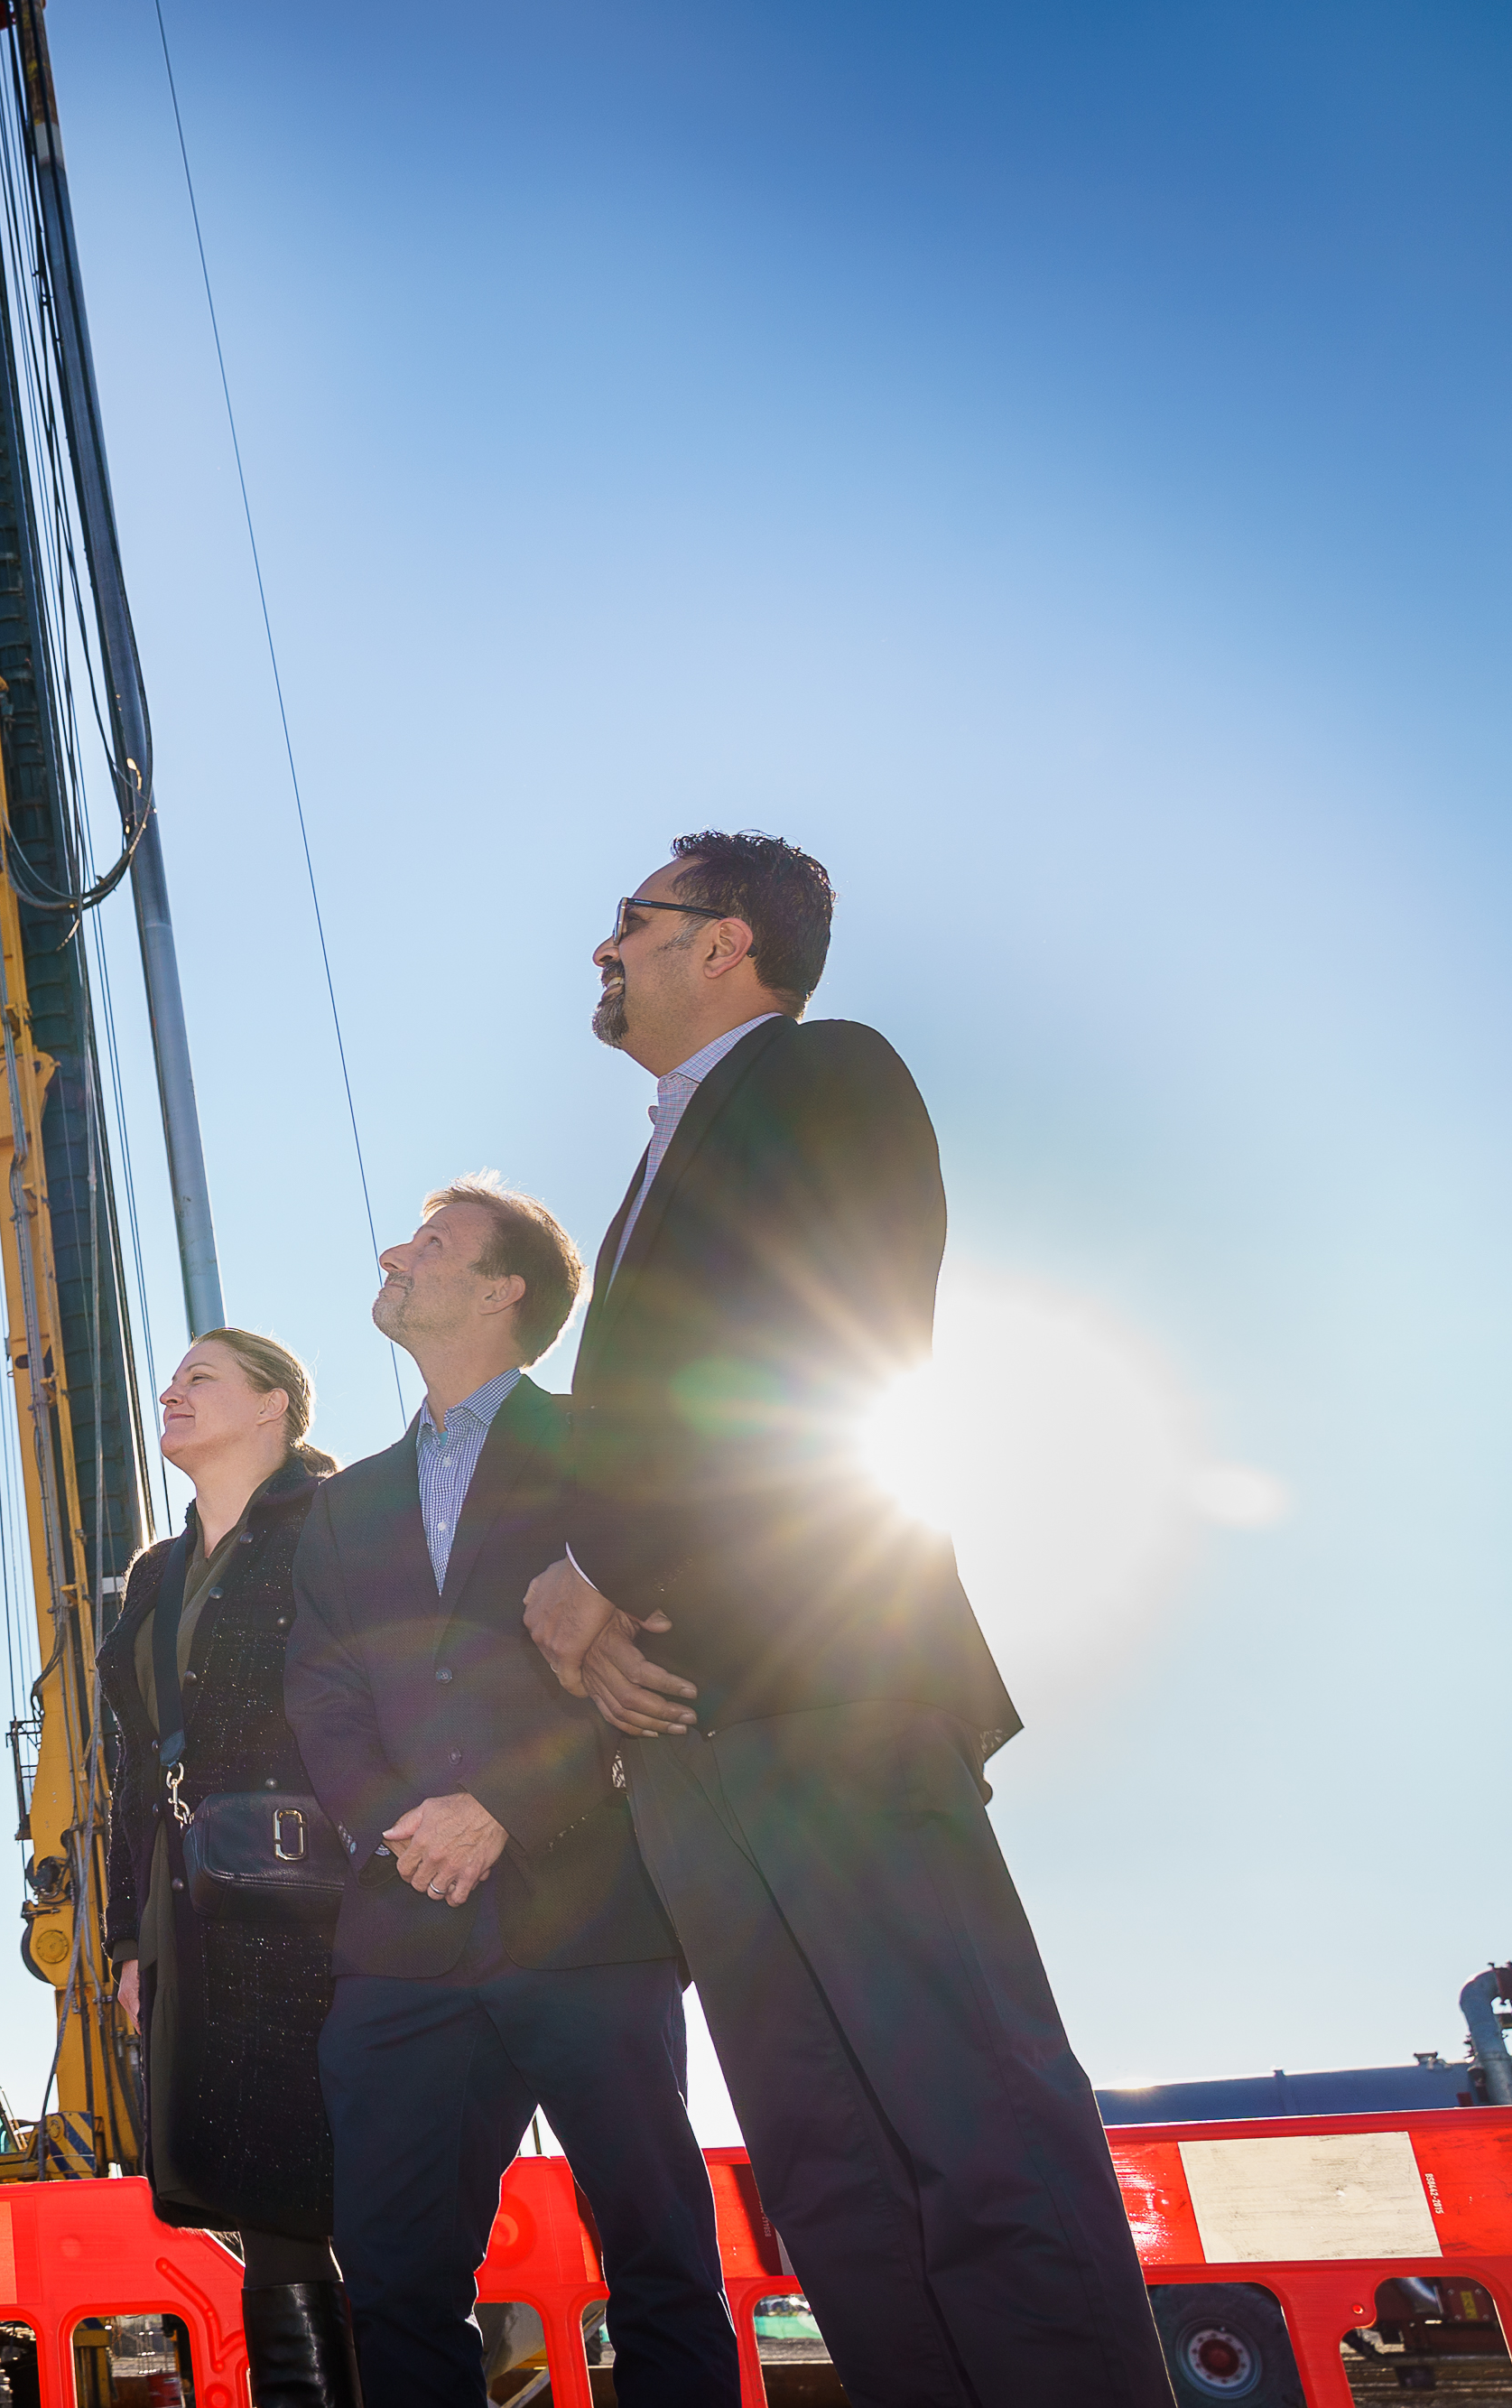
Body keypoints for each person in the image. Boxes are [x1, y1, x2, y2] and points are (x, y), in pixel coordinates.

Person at [523, 832, 1169, 2406]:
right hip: (690, 1739)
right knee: (831, 2175)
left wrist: (588, 1571)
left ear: (726, 945)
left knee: (973, 2122)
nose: (603, 946)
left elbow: (810, 1339)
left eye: (635, 919)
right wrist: (596, 1631)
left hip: (835, 1691)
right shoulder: (662, 1154)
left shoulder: (827, 1081)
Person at [285, 1178, 734, 2407]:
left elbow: (656, 1657)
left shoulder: (603, 1452)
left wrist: (499, 1809)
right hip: (403, 1936)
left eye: (431, 1242)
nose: (396, 1251)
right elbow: (320, 1691)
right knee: (390, 2277)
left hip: (586, 1913)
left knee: (657, 2253)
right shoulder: (341, 1503)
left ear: (502, 1290)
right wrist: (400, 1821)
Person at [97, 1327, 361, 2408]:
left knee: (350, 2180)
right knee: (263, 2194)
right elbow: (129, 1769)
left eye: (200, 1376)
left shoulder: (333, 1524)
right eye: (169, 1378)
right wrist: (123, 1940)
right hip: (195, 1904)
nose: (171, 1391)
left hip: (326, 1893)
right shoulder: (154, 1576)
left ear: (274, 1408)